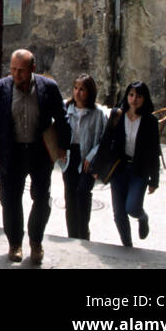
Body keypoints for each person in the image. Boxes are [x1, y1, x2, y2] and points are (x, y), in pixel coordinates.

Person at [0, 49, 71, 263]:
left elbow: (62, 117)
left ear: (32, 69)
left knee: (42, 199)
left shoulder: (48, 87)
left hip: (39, 151)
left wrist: (62, 145)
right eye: (13, 69)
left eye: (21, 70)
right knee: (9, 200)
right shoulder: (0, 88)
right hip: (11, 151)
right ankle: (15, 243)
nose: (16, 74)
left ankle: (36, 241)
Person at [96, 81, 160, 247]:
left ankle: (142, 217)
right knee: (118, 213)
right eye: (131, 95)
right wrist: (97, 166)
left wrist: (154, 180)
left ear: (144, 99)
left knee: (132, 207)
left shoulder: (150, 121)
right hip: (119, 168)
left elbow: (154, 151)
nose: (134, 99)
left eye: (138, 96)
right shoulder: (117, 115)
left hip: (139, 170)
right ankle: (127, 246)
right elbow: (105, 140)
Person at [62, 73, 108, 239]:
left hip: (88, 157)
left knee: (83, 192)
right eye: (75, 88)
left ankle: (83, 231)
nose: (78, 92)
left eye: (82, 89)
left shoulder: (98, 113)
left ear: (90, 92)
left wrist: (92, 155)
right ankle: (72, 234)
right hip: (70, 155)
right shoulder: (66, 108)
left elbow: (104, 139)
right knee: (70, 195)